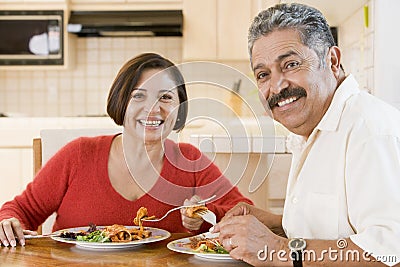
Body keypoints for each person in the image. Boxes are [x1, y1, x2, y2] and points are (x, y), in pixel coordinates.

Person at [212, 3, 400, 266]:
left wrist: (277, 248)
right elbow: (340, 228)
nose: (276, 86)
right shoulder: (312, 128)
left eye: (290, 64)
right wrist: (275, 225)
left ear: (332, 61)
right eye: (263, 74)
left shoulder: (369, 130)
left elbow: (391, 251)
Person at [0, 53, 253, 247]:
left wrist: (205, 216)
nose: (153, 109)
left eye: (165, 98)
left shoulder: (191, 161)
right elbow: (19, 211)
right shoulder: (78, 155)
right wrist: (7, 223)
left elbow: (243, 212)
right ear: (121, 101)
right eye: (139, 96)